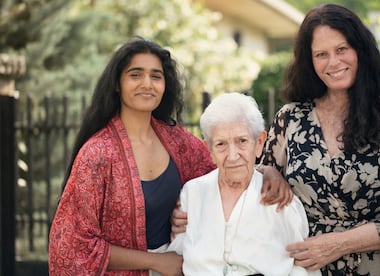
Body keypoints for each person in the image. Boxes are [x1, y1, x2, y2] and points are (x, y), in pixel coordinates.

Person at [48, 37, 288, 276]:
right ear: (117, 84)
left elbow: (225, 167)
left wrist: (268, 171)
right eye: (135, 75)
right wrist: (155, 261)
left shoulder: (177, 141)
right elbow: (74, 245)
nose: (147, 84)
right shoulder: (97, 154)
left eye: (156, 76)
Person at [259, 3, 380, 276]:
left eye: (342, 49)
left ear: (360, 51)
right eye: (321, 54)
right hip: (302, 271)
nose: (333, 62)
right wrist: (265, 171)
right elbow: (254, 195)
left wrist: (338, 244)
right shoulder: (290, 119)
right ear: (310, 61)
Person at [167, 92, 321, 276]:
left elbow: (303, 269)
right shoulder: (192, 194)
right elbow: (177, 259)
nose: (232, 156)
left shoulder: (282, 202)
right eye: (221, 144)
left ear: (259, 143)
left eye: (242, 141)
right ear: (209, 149)